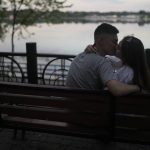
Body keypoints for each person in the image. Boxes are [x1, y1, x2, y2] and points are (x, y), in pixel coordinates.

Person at [66, 23, 140, 96]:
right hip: (88, 106)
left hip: (68, 103)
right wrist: (138, 87)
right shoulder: (103, 62)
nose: (116, 46)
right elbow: (117, 90)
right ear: (100, 41)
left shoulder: (79, 56)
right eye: (114, 42)